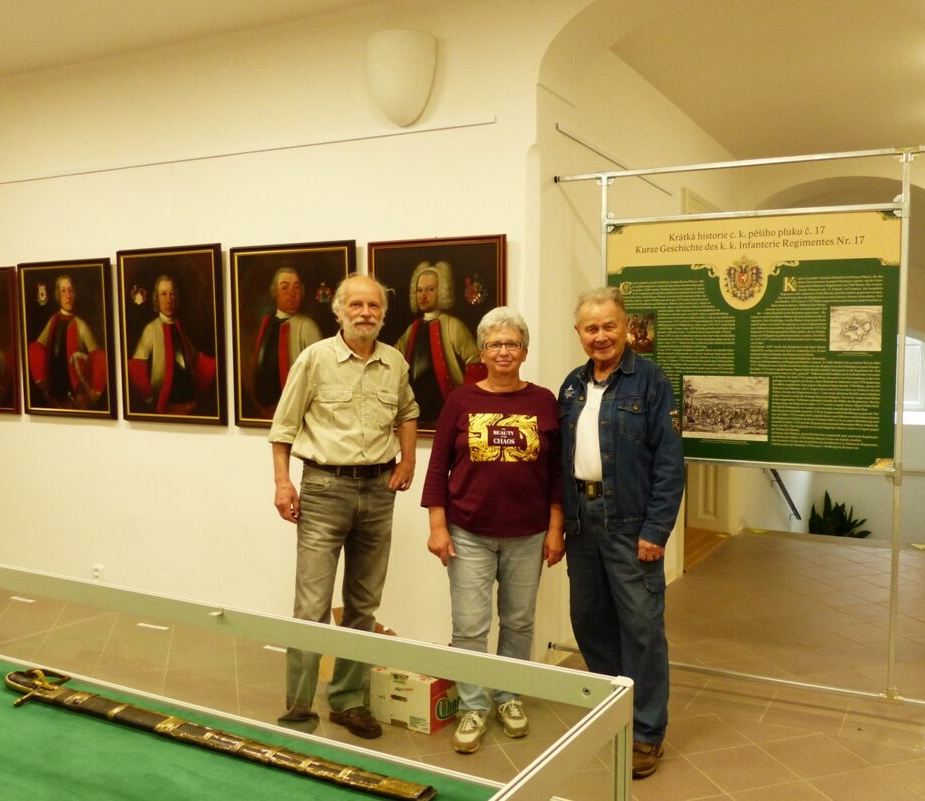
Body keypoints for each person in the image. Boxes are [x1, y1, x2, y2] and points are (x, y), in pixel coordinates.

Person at [268, 274, 418, 740]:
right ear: (339, 311)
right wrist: (282, 483)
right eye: (356, 304)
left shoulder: (394, 362)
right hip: (324, 489)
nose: (366, 313)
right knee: (311, 605)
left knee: (363, 605)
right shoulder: (314, 359)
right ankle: (298, 710)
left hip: (378, 493)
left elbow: (408, 413)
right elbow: (283, 427)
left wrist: (408, 458)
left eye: (374, 306)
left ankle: (349, 701)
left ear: (383, 314)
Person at [421, 307, 564, 754]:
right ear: (481, 352)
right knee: (469, 626)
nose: (503, 351)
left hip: (528, 532)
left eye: (512, 343)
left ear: (524, 350)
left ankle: (508, 697)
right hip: (467, 532)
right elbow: (438, 466)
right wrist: (437, 526)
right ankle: (473, 706)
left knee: (519, 622)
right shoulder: (461, 401)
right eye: (494, 344)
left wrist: (556, 528)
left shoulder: (543, 401)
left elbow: (557, 471)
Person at [557, 286, 685, 779]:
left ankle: (647, 733)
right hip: (581, 523)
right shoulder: (571, 385)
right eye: (591, 328)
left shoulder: (650, 382)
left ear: (626, 326)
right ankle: (615, 713)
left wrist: (657, 528)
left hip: (632, 525)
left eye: (609, 326)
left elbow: (671, 464)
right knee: (589, 621)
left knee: (642, 629)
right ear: (579, 334)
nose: (601, 336)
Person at [394, 261, 483, 427]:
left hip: (446, 407)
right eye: (419, 290)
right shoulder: (412, 328)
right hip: (415, 409)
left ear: (442, 291)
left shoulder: (453, 325)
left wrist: (466, 403)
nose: (423, 295)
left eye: (430, 289)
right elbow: (392, 356)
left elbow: (476, 362)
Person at [128, 274, 217, 415]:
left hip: (188, 402)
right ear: (156, 298)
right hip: (166, 403)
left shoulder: (179, 326)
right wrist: (149, 397)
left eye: (172, 294)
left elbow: (195, 359)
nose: (169, 300)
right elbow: (136, 364)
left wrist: (219, 366)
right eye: (163, 294)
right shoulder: (151, 328)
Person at [27, 274, 107, 409]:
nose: (68, 295)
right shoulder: (53, 321)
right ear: (58, 295)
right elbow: (36, 348)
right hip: (53, 397)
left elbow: (99, 358)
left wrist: (93, 394)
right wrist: (41, 380)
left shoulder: (80, 325)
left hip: (75, 398)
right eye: (63, 291)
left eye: (70, 290)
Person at [253, 267, 323, 413]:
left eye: (296, 287)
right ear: (275, 293)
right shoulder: (267, 322)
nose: (292, 293)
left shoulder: (307, 326)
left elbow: (319, 375)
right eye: (285, 287)